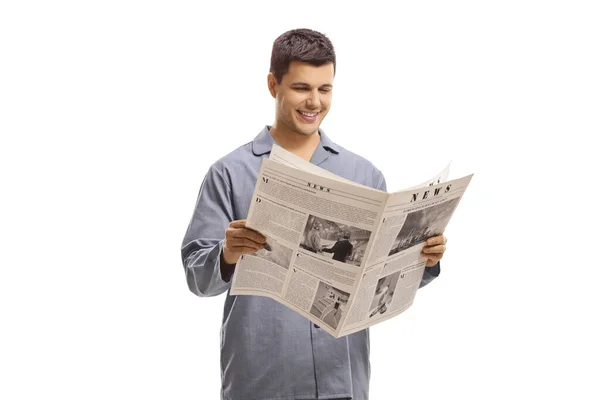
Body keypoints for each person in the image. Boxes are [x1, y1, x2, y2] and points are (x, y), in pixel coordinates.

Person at [181, 28, 447, 400]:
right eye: (302, 88)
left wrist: (422, 258)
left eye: (325, 89)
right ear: (274, 85)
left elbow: (378, 283)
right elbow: (197, 278)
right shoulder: (229, 173)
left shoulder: (364, 174)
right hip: (261, 380)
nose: (314, 102)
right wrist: (227, 253)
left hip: (342, 378)